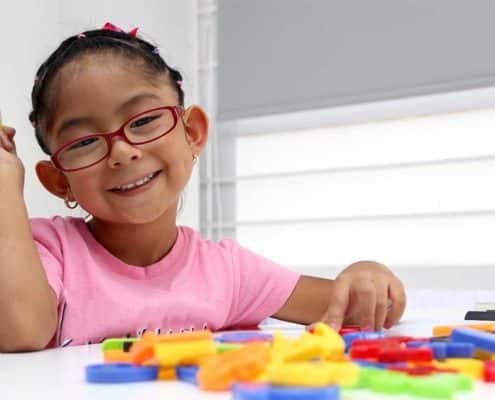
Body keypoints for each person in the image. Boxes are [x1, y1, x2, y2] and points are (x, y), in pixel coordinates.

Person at [0, 23, 405, 352]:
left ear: (192, 133)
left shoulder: (228, 272)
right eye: (85, 142)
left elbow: (348, 309)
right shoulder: (44, 255)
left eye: (143, 122)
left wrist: (366, 277)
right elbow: (21, 332)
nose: (121, 152)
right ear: (58, 181)